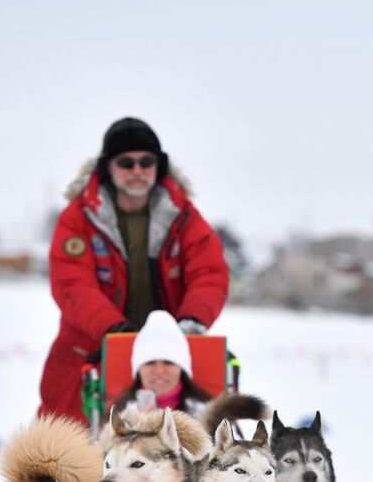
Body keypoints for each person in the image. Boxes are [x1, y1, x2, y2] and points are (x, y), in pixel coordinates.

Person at [37, 117, 230, 423]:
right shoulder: (79, 218)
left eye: (146, 161)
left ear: (159, 166)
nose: (138, 170)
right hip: (90, 351)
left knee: (180, 452)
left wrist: (192, 321)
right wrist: (115, 331)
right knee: (65, 452)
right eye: (126, 162)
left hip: (166, 355)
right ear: (107, 167)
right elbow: (72, 283)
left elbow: (209, 272)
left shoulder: (184, 216)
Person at [107, 309, 212, 417]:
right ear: (138, 369)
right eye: (150, 362)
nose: (159, 371)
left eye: (169, 362)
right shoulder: (117, 418)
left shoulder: (207, 416)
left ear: (182, 368)